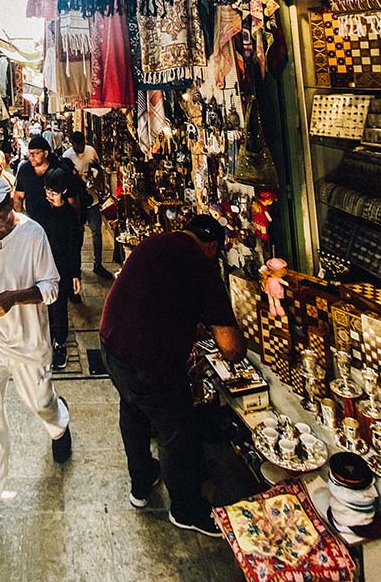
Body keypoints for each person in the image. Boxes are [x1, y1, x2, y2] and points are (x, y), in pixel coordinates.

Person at [99, 214, 245, 537]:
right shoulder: (202, 265)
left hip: (111, 345)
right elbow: (231, 348)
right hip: (150, 362)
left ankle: (141, 482)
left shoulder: (155, 243)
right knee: (178, 431)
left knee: (133, 408)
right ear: (212, 247)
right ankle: (186, 507)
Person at [0, 178, 72, 550]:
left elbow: (52, 288)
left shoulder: (34, 234)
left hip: (27, 343)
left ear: (13, 202)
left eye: (0, 211)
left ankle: (59, 424)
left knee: (39, 402)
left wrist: (14, 298)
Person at [43, 167, 82, 371]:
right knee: (45, 307)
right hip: (42, 266)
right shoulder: (43, 210)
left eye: (53, 192)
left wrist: (76, 274)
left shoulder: (69, 215)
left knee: (59, 308)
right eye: (47, 190)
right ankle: (47, 341)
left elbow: (74, 246)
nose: (49, 195)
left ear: (63, 191)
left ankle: (59, 344)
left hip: (62, 269)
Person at [62, 131, 111, 280]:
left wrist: (98, 181)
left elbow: (99, 169)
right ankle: (76, 267)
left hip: (93, 199)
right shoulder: (67, 156)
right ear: (72, 144)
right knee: (77, 234)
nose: (81, 148)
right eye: (78, 146)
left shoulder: (91, 151)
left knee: (97, 232)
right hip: (77, 202)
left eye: (82, 144)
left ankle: (98, 264)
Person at [12, 135, 58, 226]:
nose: (31, 157)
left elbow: (72, 200)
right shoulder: (25, 169)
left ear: (45, 153)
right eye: (30, 153)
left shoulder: (57, 169)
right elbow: (18, 197)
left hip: (55, 221)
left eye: (35, 153)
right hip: (33, 220)